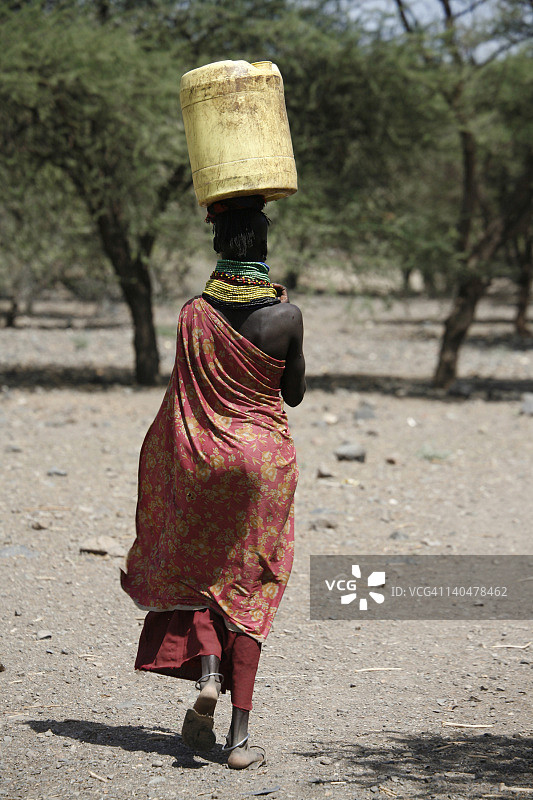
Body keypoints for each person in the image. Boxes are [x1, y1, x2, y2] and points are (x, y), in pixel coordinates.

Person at [121, 195, 305, 769]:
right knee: (251, 582)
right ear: (263, 244)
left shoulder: (192, 314)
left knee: (204, 572)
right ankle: (241, 739)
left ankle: (206, 673)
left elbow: (181, 396)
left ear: (219, 245)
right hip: (262, 464)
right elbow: (293, 393)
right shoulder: (286, 317)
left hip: (203, 458)